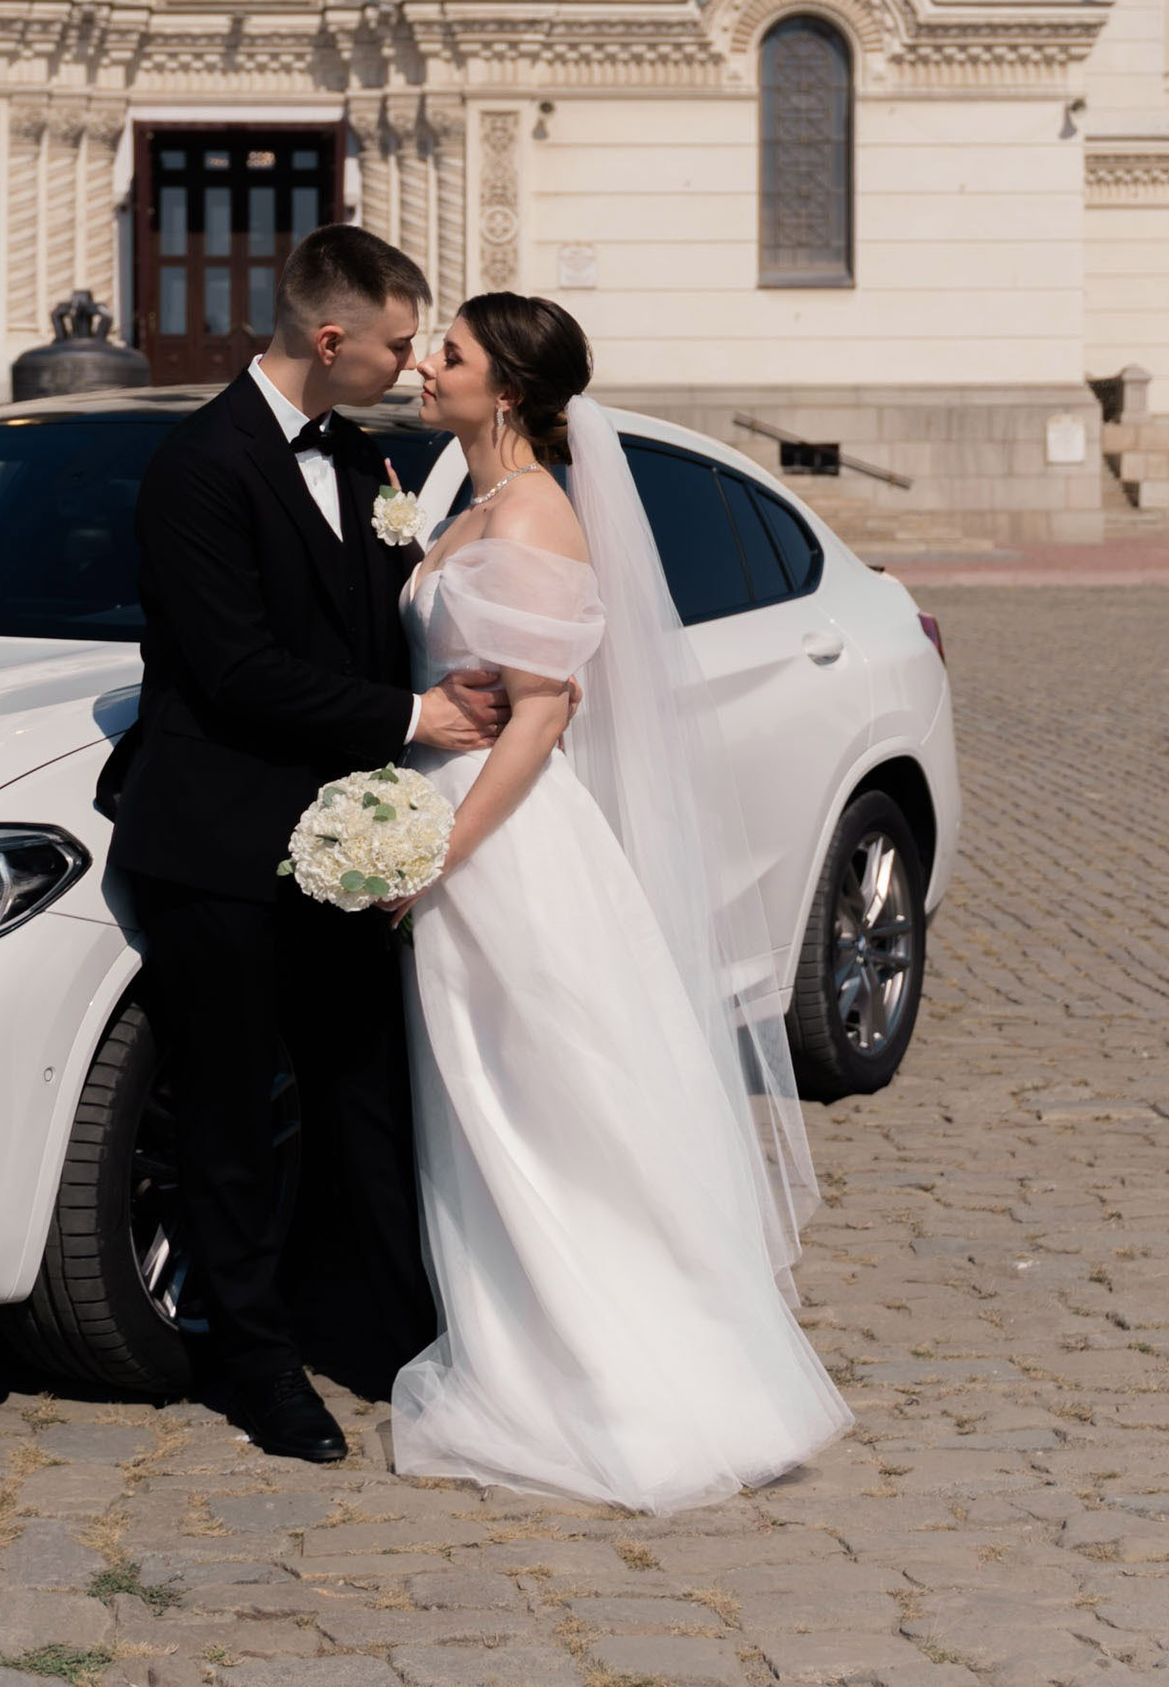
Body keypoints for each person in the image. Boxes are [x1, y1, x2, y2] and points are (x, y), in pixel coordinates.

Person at [387, 291, 851, 1511]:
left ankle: (616, 1381)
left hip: (506, 844)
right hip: (454, 816)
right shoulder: (465, 498)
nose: (425, 364)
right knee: (488, 1101)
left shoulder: (535, 517)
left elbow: (539, 714)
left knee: (545, 1102)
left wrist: (441, 850)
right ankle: (520, 1343)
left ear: (513, 392)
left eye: (451, 353)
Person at [108, 227, 507, 1465]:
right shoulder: (198, 466)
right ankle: (257, 1363)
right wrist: (413, 718)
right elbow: (231, 670)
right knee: (226, 1117)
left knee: (362, 1098)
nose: (410, 364)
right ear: (330, 340)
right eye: (398, 343)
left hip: (353, 842)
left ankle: (397, 1335)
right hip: (221, 843)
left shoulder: (367, 458)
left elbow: (379, 620)